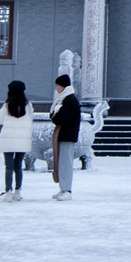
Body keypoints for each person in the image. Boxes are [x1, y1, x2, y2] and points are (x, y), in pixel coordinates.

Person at [0, 80, 33, 202]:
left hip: (8, 139)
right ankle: (18, 192)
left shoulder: (6, 105)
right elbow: (30, 120)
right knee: (18, 166)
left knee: (9, 166)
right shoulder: (28, 106)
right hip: (22, 139)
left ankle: (8, 193)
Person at [49, 73, 81, 201]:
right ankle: (63, 188)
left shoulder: (69, 100)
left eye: (58, 85)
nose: (56, 88)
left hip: (67, 135)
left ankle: (67, 189)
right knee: (62, 162)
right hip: (64, 135)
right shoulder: (64, 99)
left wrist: (55, 116)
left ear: (64, 86)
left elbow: (59, 118)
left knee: (65, 163)